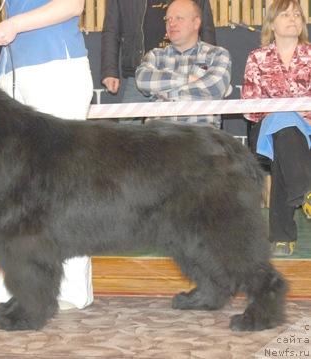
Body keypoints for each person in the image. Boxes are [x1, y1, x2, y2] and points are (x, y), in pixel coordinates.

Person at [0, 0, 94, 311]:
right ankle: (12, 282)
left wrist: (14, 25)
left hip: (55, 67)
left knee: (62, 185)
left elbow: (72, 5)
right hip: (12, 69)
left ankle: (72, 287)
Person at [242, 0, 311, 256]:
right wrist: (287, 111)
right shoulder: (257, 58)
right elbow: (250, 108)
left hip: (306, 133)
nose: (293, 18)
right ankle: (306, 191)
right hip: (266, 132)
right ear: (272, 23)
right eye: (285, 14)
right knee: (283, 122)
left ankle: (282, 236)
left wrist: (292, 114)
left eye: (297, 14)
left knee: (287, 141)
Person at [134, 0, 231, 128]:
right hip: (160, 135)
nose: (171, 23)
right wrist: (187, 79)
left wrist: (164, 95)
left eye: (179, 18)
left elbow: (215, 89)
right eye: (168, 19)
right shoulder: (155, 55)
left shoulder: (217, 54)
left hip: (201, 133)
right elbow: (142, 80)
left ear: (196, 23)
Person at [101, 0, 216, 104]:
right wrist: (109, 71)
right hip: (141, 75)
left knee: (186, 123)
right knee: (128, 126)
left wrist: (209, 68)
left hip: (184, 69)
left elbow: (205, 27)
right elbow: (111, 30)